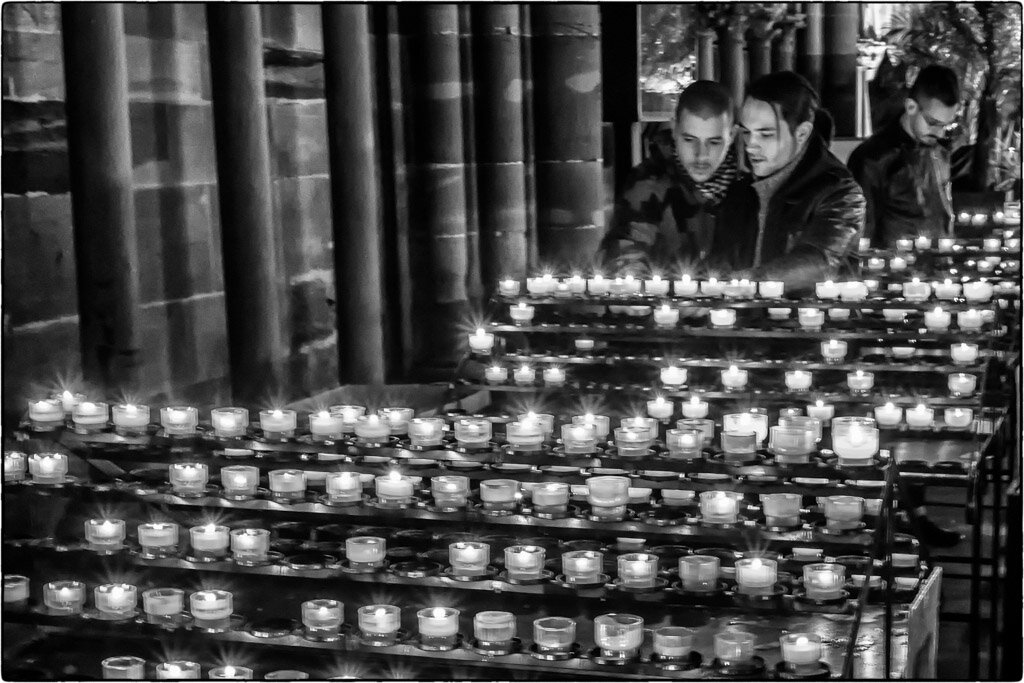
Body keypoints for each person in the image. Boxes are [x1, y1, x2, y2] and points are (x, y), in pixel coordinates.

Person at [706, 71, 865, 293]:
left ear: (801, 133)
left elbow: (818, 261)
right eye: (746, 133)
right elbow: (719, 264)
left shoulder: (839, 192)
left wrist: (747, 283)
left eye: (766, 134)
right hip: (744, 325)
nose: (751, 145)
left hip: (814, 324)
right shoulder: (741, 189)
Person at [600, 80, 744, 274]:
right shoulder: (649, 182)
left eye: (714, 142)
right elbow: (625, 249)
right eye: (689, 139)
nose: (700, 154)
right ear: (674, 128)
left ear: (732, 135)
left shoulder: (750, 189)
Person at [847, 64, 961, 247]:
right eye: (933, 123)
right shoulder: (872, 159)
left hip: (939, 267)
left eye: (946, 126)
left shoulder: (939, 152)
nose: (940, 134)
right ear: (911, 106)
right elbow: (861, 234)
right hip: (891, 269)